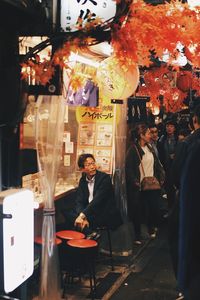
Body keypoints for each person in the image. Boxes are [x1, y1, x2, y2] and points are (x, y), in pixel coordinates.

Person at [125, 123, 165, 245]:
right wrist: (135, 182)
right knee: (138, 210)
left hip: (152, 183)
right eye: (148, 133)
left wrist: (160, 177)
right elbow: (129, 168)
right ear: (141, 135)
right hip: (140, 186)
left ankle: (151, 228)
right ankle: (137, 235)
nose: (150, 135)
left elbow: (156, 164)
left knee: (152, 207)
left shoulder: (150, 147)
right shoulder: (134, 149)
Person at [73, 153, 119, 237]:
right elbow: (79, 201)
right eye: (88, 165)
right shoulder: (82, 180)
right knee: (68, 213)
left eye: (93, 163)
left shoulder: (105, 178)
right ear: (82, 169)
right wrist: (82, 216)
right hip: (90, 212)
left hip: (103, 212)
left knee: (76, 220)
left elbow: (97, 201)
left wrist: (82, 215)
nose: (92, 167)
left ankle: (88, 234)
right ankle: (90, 234)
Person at [157, 119, 178, 210]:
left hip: (175, 168)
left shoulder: (178, 139)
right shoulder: (162, 139)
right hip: (165, 168)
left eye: (171, 126)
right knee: (168, 190)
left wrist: (176, 155)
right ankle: (170, 209)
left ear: (175, 128)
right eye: (167, 126)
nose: (169, 128)